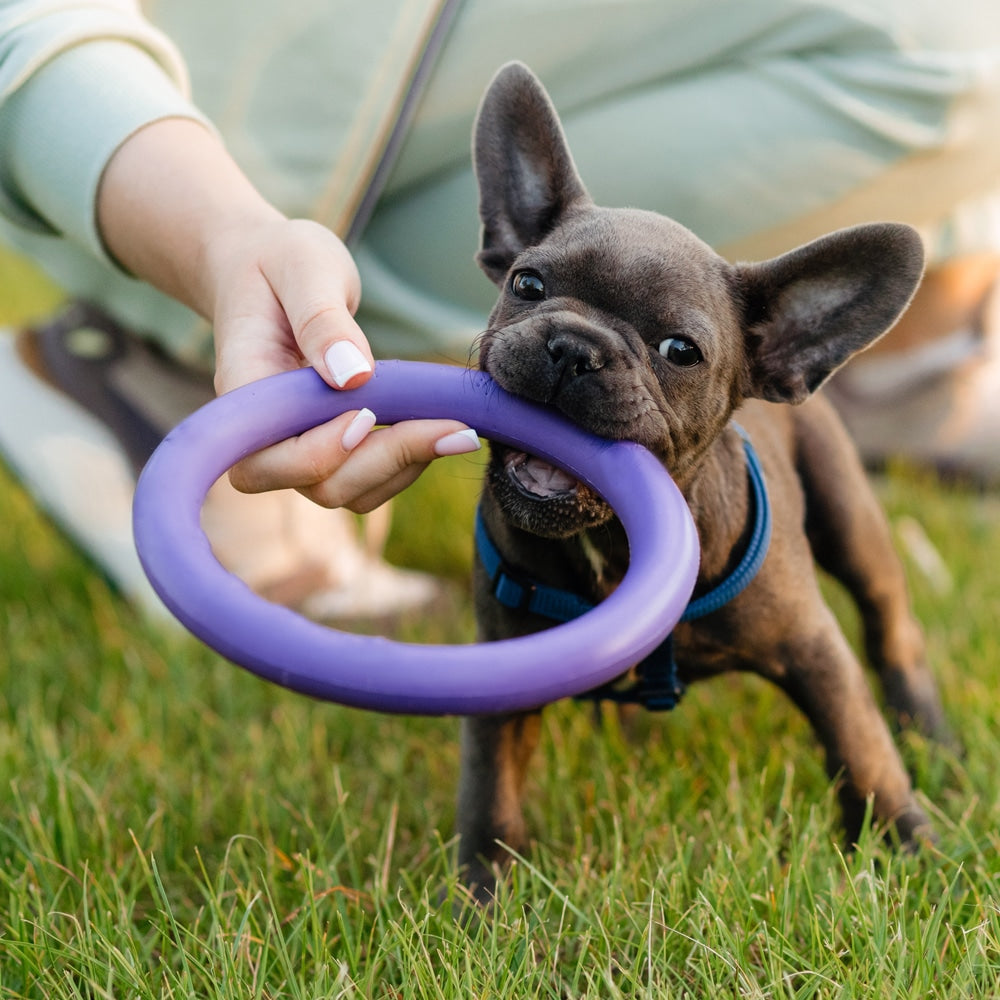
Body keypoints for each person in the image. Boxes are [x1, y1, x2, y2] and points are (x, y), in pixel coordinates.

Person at [2, 0, 999, 619]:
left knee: (961, 49)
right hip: (220, 67)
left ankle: (867, 365)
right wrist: (226, 244)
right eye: (529, 286)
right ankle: (189, 346)